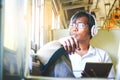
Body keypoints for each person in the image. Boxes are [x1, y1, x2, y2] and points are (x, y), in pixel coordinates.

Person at [36, 11, 115, 78]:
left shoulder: (102, 55)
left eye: (80, 25)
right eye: (72, 25)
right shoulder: (60, 52)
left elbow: (112, 79)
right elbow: (39, 57)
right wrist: (59, 42)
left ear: (92, 30)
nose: (75, 28)